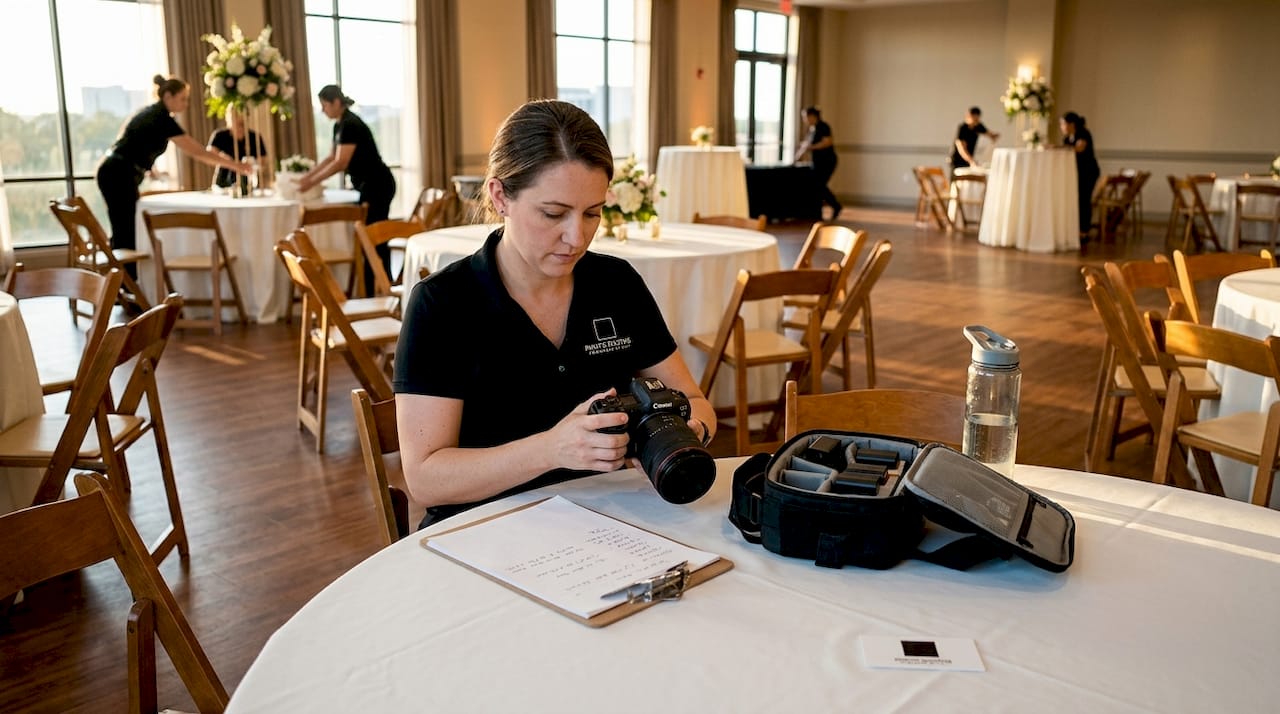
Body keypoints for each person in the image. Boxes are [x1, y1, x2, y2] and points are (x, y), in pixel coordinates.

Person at [392, 99, 717, 528]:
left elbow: (697, 404)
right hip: (483, 529)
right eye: (553, 213)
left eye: (592, 213)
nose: (576, 237)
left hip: (607, 518)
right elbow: (426, 479)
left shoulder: (616, 283)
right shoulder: (443, 304)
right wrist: (551, 449)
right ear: (500, 196)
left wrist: (683, 432)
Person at [96, 75, 250, 277]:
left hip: (114, 170)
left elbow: (134, 142)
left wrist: (151, 170)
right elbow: (198, 152)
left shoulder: (151, 113)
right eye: (182, 99)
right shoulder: (161, 119)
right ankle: (123, 283)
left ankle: (123, 283)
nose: (186, 104)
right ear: (168, 96)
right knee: (126, 230)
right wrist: (236, 166)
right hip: (117, 174)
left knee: (124, 228)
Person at [297, 84, 397, 290]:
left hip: (378, 185)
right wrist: (306, 177)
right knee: (371, 237)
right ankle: (378, 286)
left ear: (336, 102)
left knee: (374, 238)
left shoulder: (351, 124)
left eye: (325, 105)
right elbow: (330, 158)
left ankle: (379, 287)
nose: (323, 110)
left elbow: (340, 163)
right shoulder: (339, 125)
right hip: (368, 185)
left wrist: (311, 183)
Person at [794, 106, 842, 221]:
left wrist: (811, 147)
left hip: (827, 162)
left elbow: (827, 142)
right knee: (818, 186)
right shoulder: (812, 129)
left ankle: (834, 206)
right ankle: (823, 211)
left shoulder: (823, 127)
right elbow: (805, 146)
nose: (804, 120)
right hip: (818, 163)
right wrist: (796, 159)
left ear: (812, 116)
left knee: (819, 186)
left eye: (805, 117)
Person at [1061, 111, 1100, 246]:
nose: (1062, 127)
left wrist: (1060, 148)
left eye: (1063, 124)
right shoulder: (1067, 139)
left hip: (1088, 172)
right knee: (1077, 200)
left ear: (1071, 124)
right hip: (1077, 173)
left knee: (1084, 199)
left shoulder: (1083, 133)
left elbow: (1080, 148)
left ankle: (1084, 231)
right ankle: (1075, 229)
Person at [207, 106, 267, 191]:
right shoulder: (220, 135)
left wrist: (253, 163)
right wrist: (229, 161)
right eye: (235, 117)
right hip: (224, 185)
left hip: (250, 184)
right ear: (228, 118)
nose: (239, 122)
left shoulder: (254, 137)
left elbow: (263, 161)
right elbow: (210, 155)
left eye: (242, 121)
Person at [950, 106, 999, 175]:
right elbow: (961, 148)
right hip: (958, 161)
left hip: (969, 161)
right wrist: (971, 161)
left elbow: (990, 134)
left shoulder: (978, 126)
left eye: (977, 119)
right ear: (969, 116)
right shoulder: (963, 128)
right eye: (974, 118)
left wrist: (994, 136)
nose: (976, 121)